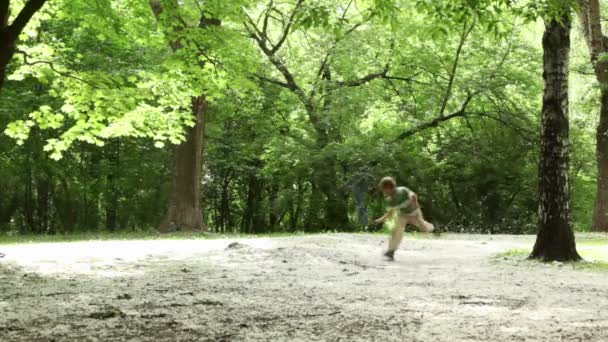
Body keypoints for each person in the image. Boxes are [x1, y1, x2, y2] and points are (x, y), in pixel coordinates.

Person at [373, 176, 436, 261]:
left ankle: (432, 228)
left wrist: (414, 203)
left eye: (384, 189)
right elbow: (390, 212)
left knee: (424, 228)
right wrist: (380, 220)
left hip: (414, 213)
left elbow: (413, 195)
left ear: (389, 188)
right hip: (403, 215)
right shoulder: (390, 200)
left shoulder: (402, 191)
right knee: (396, 230)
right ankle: (391, 251)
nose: (383, 191)